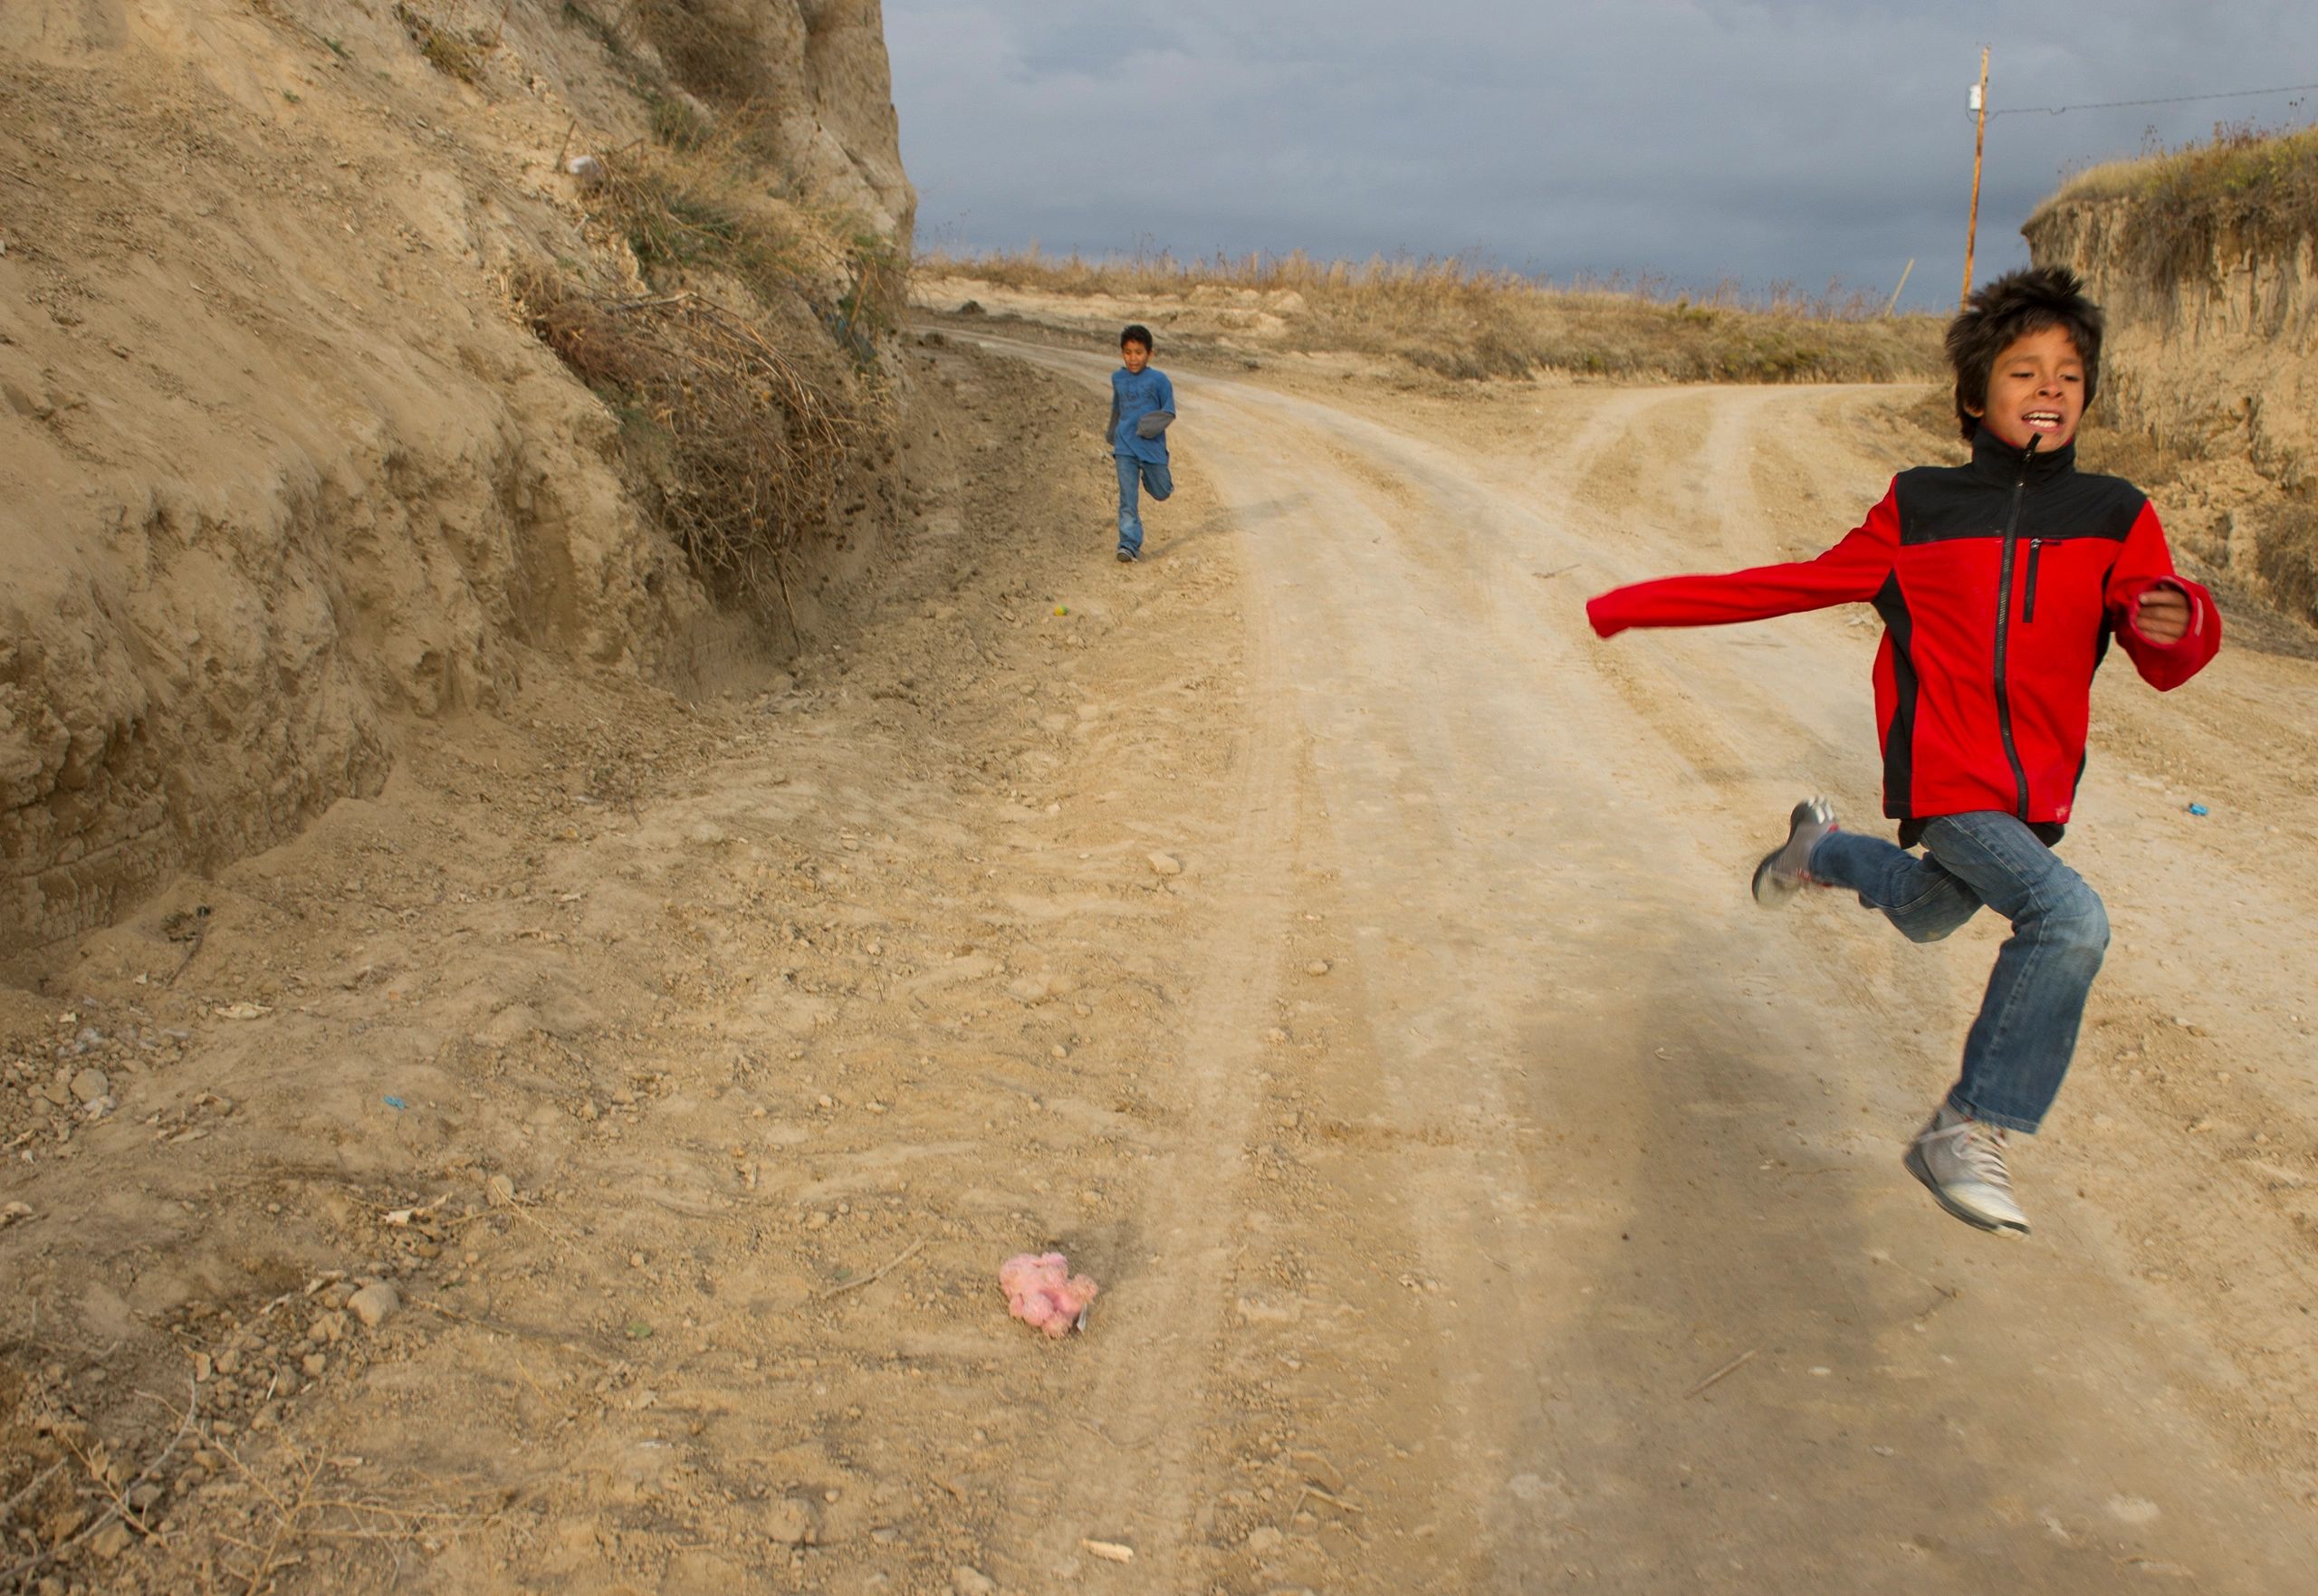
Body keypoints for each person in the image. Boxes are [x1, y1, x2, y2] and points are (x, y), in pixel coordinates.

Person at [1584, 265, 2221, 1236]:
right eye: (2022, 371)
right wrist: (1632, 604)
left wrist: (2177, 619)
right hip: (1947, 774)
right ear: (1973, 398)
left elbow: (2163, 653)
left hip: (2037, 793)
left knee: (1925, 912)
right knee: (2069, 919)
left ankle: (1814, 851)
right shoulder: (1919, 506)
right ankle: (1966, 1127)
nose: (2048, 388)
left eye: (2067, 373)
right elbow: (1792, 583)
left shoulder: (2115, 514)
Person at [1106, 323, 1175, 562]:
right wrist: (1112, 432)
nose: (1133, 358)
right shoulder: (1118, 378)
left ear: (1150, 354)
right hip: (1124, 446)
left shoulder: (1159, 380)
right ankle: (1128, 544)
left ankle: (1154, 476)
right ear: (1122, 353)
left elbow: (1169, 412)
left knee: (1161, 492)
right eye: (1128, 352)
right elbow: (1118, 407)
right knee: (1128, 498)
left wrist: (1147, 426)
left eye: (1138, 353)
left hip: (1151, 448)